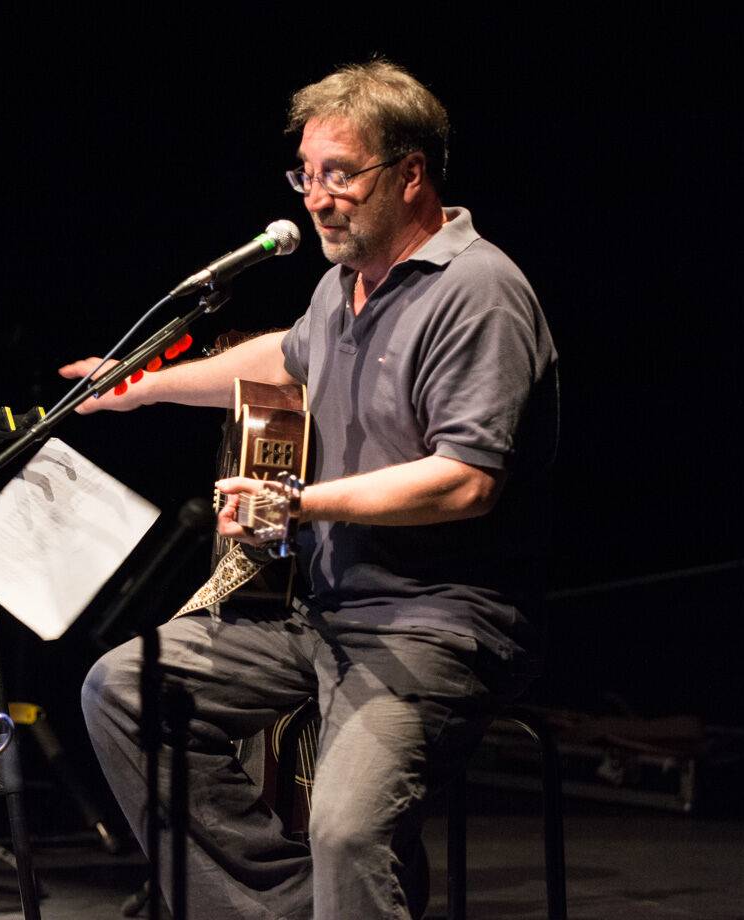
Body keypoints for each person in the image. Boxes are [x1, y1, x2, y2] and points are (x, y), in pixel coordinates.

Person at [67, 60, 558, 919]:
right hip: (326, 617)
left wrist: (298, 503)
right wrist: (142, 383)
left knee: (346, 832)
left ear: (410, 175)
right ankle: (292, 910)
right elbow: (285, 358)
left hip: (441, 624)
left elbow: (466, 482)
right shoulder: (341, 286)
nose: (318, 197)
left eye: (342, 174)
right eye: (307, 174)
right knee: (124, 690)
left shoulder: (479, 292)